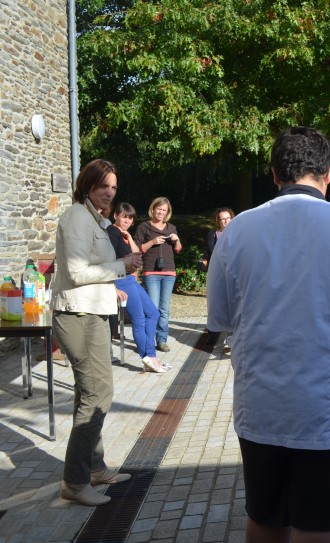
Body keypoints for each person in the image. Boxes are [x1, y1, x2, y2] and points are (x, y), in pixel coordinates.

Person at [207, 126, 330, 543]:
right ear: (328, 174)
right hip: (329, 413)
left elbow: (219, 317)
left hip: (262, 410)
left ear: (274, 174)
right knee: (318, 528)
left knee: (265, 518)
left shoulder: (236, 232)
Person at [51, 159, 140, 506]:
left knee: (90, 392)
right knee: (98, 393)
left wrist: (120, 267)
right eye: (104, 185)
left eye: (114, 187)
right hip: (78, 313)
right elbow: (75, 272)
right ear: (87, 184)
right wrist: (120, 266)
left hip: (92, 313)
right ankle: (74, 481)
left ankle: (95, 467)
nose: (109, 192)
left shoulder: (94, 219)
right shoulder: (75, 216)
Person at [106, 203, 166, 372]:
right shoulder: (112, 232)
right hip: (121, 280)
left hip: (130, 279)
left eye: (130, 218)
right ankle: (148, 356)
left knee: (153, 312)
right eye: (124, 216)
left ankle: (150, 356)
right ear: (115, 216)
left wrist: (130, 237)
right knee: (139, 319)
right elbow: (107, 261)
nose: (127, 220)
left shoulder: (123, 234)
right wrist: (113, 288)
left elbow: (137, 254)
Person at [134, 197, 182, 353]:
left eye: (164, 210)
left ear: (167, 212)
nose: (161, 212)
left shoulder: (171, 227)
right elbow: (136, 248)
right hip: (151, 272)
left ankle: (161, 340)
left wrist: (176, 240)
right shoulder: (144, 227)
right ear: (153, 209)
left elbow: (178, 249)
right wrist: (152, 242)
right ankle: (149, 340)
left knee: (164, 309)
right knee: (153, 308)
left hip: (169, 272)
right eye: (159, 209)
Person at [203, 207, 235, 346]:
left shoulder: (238, 233)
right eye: (222, 219)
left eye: (228, 218)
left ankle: (232, 337)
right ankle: (213, 333)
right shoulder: (213, 234)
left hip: (233, 273)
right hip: (217, 273)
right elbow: (212, 250)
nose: (226, 222)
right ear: (218, 221)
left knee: (234, 303)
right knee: (215, 303)